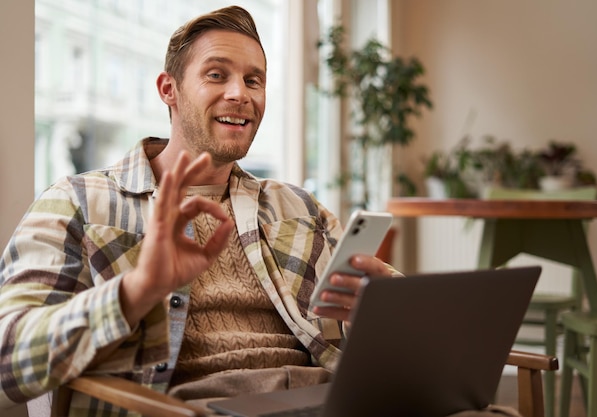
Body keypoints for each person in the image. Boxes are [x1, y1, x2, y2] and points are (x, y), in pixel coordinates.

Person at [0, 6, 520, 417]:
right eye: (217, 74)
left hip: (332, 397)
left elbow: (394, 343)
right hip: (192, 406)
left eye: (254, 80)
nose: (239, 94)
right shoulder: (76, 201)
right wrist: (136, 292)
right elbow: (9, 358)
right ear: (169, 90)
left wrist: (386, 306)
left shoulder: (299, 209)